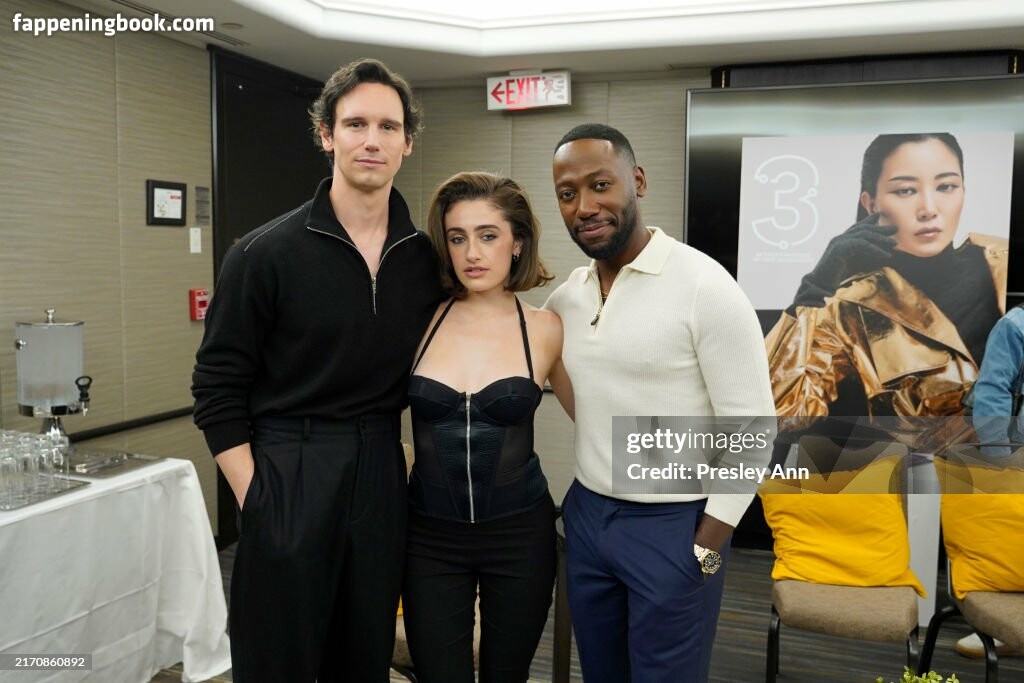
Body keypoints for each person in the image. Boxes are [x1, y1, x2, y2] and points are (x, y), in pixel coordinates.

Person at [191, 58, 443, 682]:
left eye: (388, 126)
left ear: (407, 143)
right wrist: (258, 496)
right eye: (355, 124)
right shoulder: (262, 253)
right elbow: (216, 386)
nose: (372, 140)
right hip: (290, 465)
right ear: (326, 135)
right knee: (278, 659)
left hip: (380, 467)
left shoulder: (425, 261)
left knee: (363, 656)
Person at [544, 123, 775, 682]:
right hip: (589, 516)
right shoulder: (567, 298)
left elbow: (755, 431)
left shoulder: (704, 286)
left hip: (679, 525)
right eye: (568, 193)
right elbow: (578, 392)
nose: (585, 206)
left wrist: (708, 547)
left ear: (638, 181)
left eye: (601, 185)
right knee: (601, 672)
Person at [402, 171, 570, 683]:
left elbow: (596, 417)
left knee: (507, 675)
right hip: (429, 537)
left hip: (521, 536)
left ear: (517, 242)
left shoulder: (545, 328)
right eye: (457, 238)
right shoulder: (417, 321)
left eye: (488, 235)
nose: (472, 253)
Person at [766, 133, 1008, 422]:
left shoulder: (1003, 262)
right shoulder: (849, 307)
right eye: (905, 191)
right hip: (915, 454)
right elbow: (779, 414)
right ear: (870, 204)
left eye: (946, 186)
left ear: (963, 191)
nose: (929, 209)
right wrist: (814, 289)